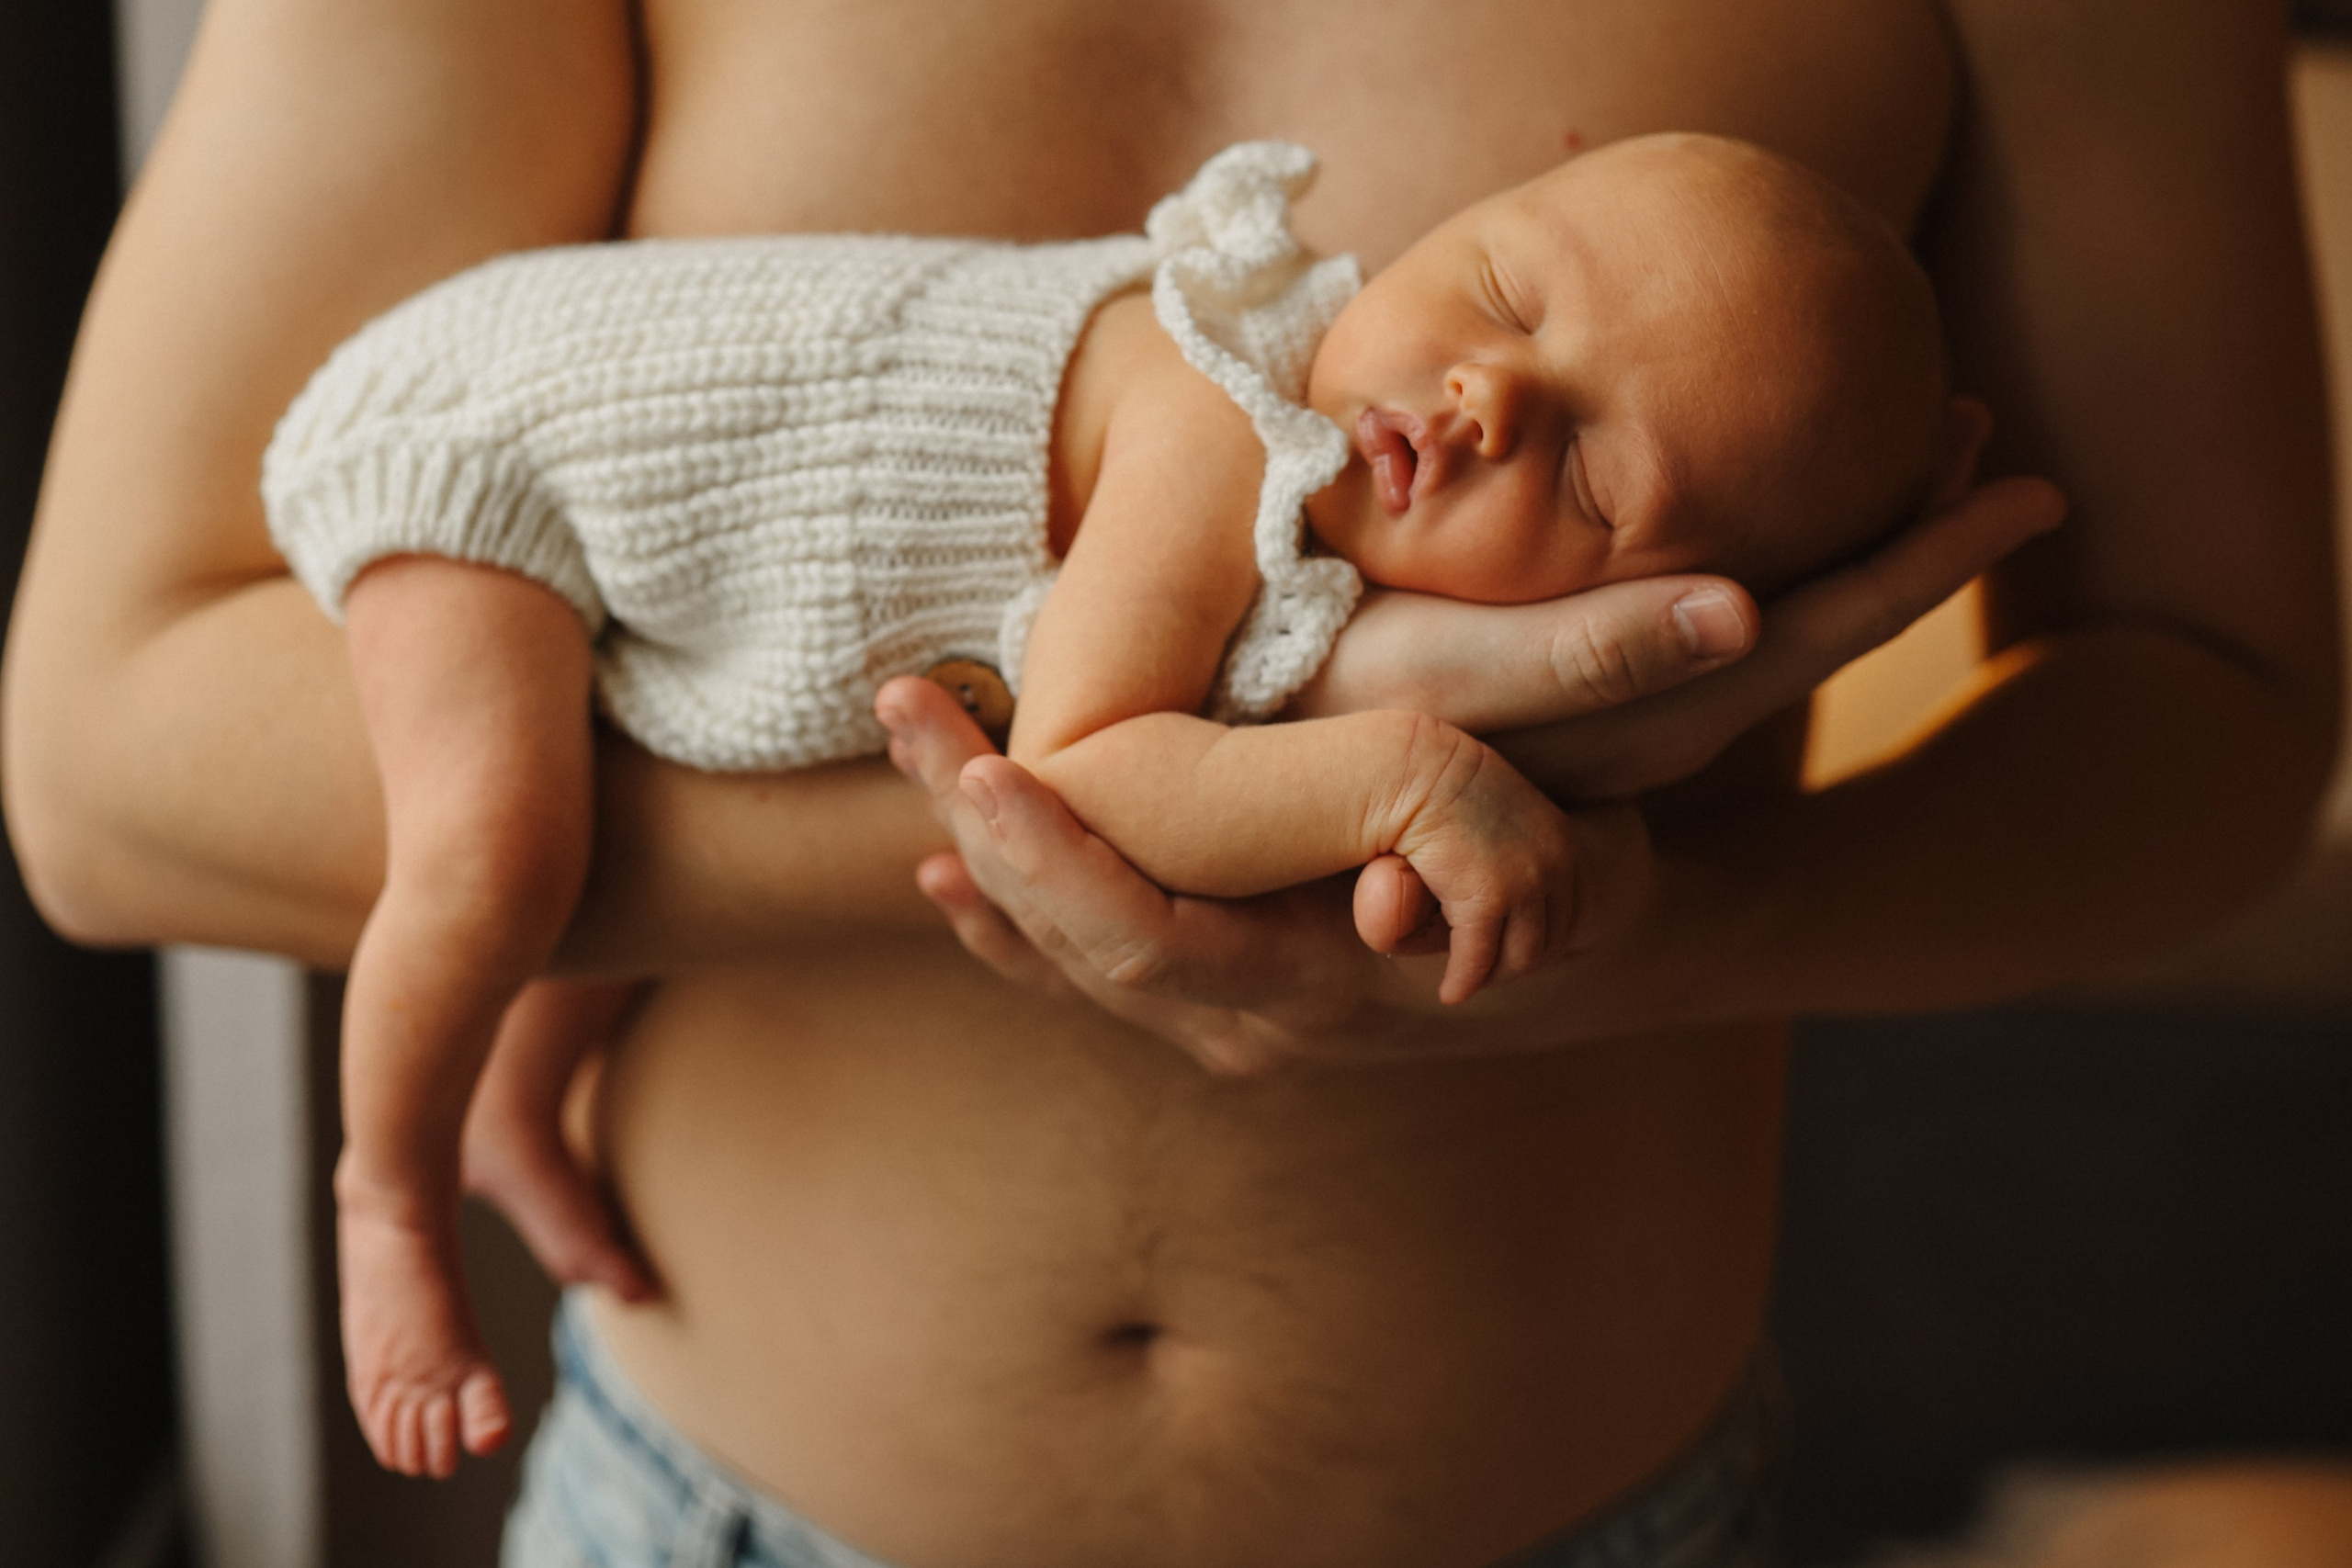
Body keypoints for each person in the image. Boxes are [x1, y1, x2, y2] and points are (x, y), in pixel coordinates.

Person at [0, 0, 2334, 1563]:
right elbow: (111, 762)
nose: (1495, 392)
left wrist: (1661, 924)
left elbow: (2212, 709)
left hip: (1564, 1504)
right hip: (717, 1504)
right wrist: (1219, 782)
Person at [273, 128, 1976, 1467]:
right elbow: (1081, 770)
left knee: (605, 788)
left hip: (665, 547)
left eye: (1596, 476)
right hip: (482, 440)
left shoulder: (1322, 517)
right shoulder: (1222, 416)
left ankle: (516, 1102)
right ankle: (389, 1197)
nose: (1490, 396)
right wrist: (1410, 774)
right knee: (498, 849)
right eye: (1505, 292)